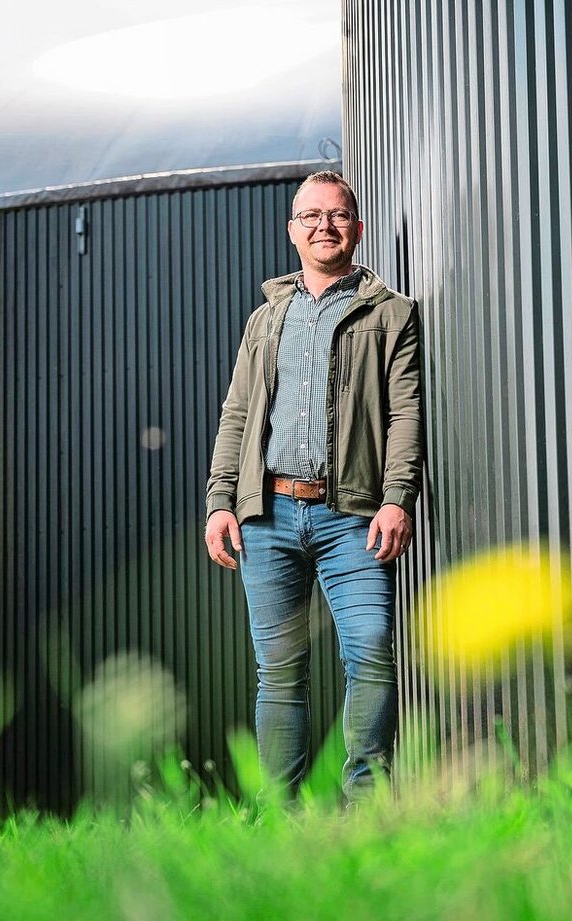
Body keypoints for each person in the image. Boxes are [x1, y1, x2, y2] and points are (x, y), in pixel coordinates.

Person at [203, 170, 421, 802]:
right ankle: (279, 817)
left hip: (351, 516)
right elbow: (238, 413)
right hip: (266, 516)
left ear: (357, 227)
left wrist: (396, 498)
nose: (324, 225)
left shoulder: (392, 314)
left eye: (338, 214)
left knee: (373, 653)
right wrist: (222, 501)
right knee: (280, 673)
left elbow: (405, 412)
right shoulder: (265, 319)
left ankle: (363, 808)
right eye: (310, 216)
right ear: (293, 230)